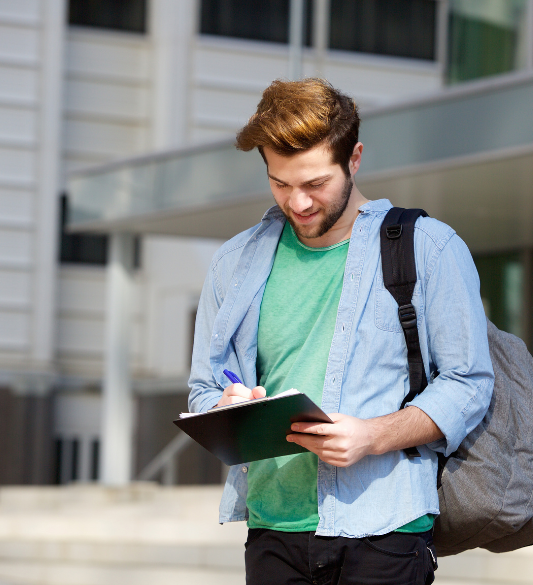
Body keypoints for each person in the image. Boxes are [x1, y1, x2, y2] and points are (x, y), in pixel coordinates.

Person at [188, 78, 494, 585]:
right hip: (272, 531)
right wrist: (226, 410)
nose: (299, 203)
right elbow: (202, 390)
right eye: (280, 183)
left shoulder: (431, 249)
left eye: (315, 183)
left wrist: (371, 436)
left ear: (354, 159)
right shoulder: (232, 264)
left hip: (385, 529)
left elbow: (468, 384)